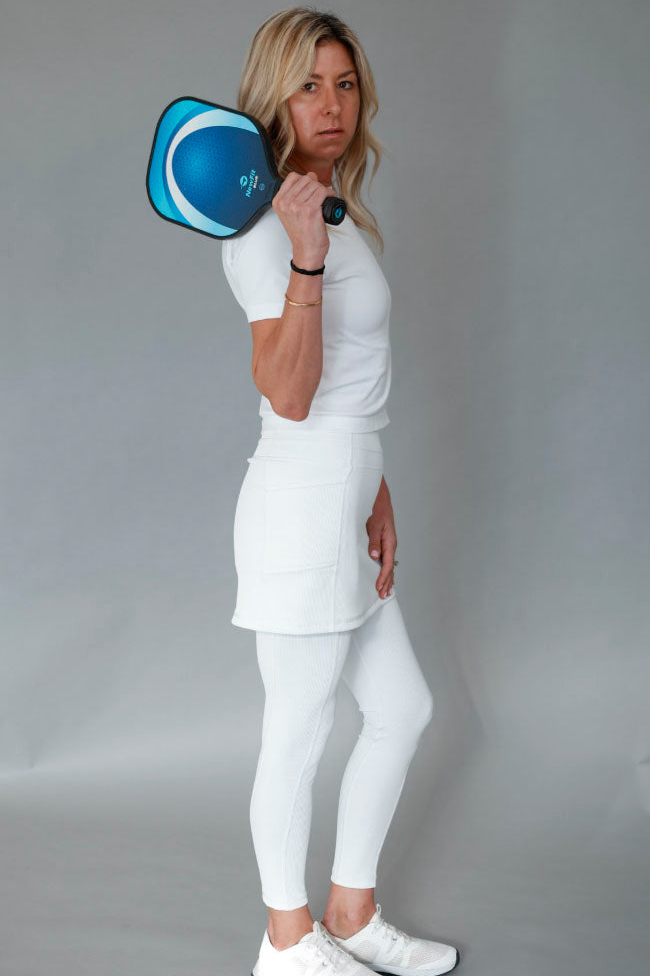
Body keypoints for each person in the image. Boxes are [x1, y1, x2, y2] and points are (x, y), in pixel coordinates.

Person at [221, 8, 460, 976]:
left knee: (400, 710)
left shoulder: (329, 206)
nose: (330, 104)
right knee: (300, 727)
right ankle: (285, 942)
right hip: (296, 508)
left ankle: (351, 914)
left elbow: (355, 390)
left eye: (345, 83)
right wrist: (304, 256)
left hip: (345, 490)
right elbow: (287, 393)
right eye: (309, 84)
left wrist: (380, 492)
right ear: (271, 95)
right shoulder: (263, 230)